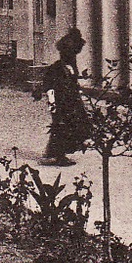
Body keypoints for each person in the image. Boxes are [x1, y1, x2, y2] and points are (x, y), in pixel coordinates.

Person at [34, 28, 91, 167]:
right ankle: (57, 155)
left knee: (72, 125)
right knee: (62, 126)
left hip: (71, 101)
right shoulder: (58, 68)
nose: (73, 56)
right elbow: (49, 86)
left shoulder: (70, 66)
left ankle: (58, 153)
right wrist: (53, 103)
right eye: (71, 54)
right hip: (61, 102)